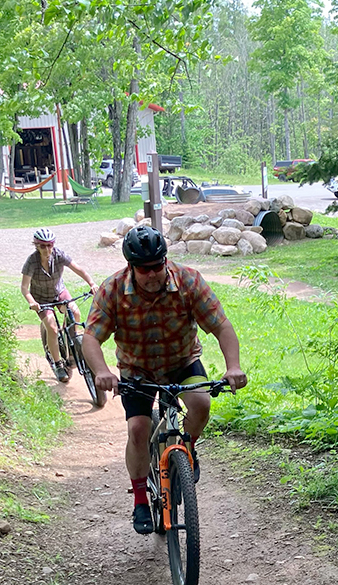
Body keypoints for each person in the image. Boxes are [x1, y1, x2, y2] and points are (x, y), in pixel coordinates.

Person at [82, 225, 247, 535]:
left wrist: (233, 366)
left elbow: (222, 327)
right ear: (131, 266)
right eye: (144, 269)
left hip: (182, 361)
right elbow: (91, 337)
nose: (153, 274)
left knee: (200, 403)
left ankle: (188, 447)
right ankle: (141, 499)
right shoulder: (113, 289)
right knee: (138, 428)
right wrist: (102, 372)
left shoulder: (189, 281)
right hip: (137, 371)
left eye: (158, 265)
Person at [21, 227, 99, 383]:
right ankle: (58, 364)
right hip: (41, 299)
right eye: (42, 246)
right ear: (36, 245)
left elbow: (78, 269)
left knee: (75, 312)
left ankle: (72, 348)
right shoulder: (31, 261)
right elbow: (24, 287)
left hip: (58, 292)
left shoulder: (59, 255)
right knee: (51, 326)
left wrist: (92, 283)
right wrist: (32, 302)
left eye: (49, 245)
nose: (46, 249)